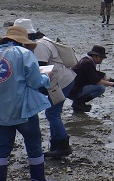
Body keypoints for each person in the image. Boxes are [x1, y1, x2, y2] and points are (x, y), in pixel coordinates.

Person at [0, 25, 56, 181]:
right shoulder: (24, 54)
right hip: (23, 108)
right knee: (33, 142)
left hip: (0, 109)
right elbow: (35, 82)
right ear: (23, 41)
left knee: (3, 144)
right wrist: (45, 77)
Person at [14, 18, 76, 159]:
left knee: (52, 113)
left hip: (60, 82)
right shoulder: (44, 40)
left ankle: (63, 145)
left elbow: (41, 68)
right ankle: (55, 146)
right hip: (64, 79)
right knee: (53, 112)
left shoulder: (39, 45)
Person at [68, 45, 114, 113]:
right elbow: (96, 81)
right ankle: (78, 103)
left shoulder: (87, 60)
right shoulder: (88, 63)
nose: (102, 60)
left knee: (101, 85)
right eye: (101, 57)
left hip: (73, 89)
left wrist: (111, 79)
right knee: (101, 88)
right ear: (95, 56)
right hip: (74, 91)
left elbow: (94, 75)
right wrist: (112, 84)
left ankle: (80, 104)